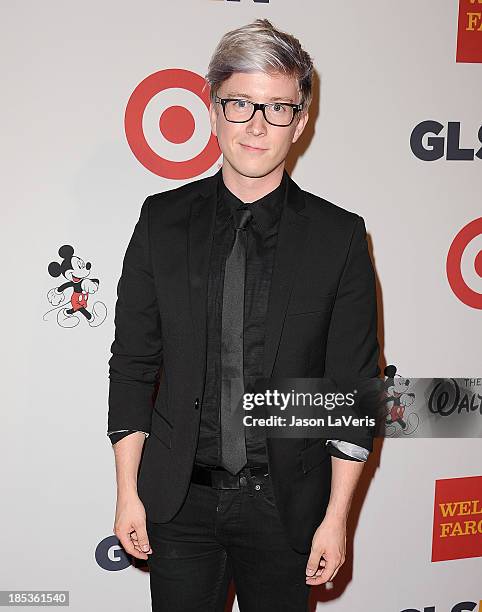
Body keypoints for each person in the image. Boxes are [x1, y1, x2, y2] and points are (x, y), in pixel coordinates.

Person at [107, 18, 380, 612]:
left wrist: (336, 520)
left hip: (288, 508)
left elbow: (354, 392)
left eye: (277, 108)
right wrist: (128, 491)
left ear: (300, 122)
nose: (257, 126)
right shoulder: (161, 221)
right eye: (240, 105)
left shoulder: (339, 238)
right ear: (213, 112)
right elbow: (133, 364)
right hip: (179, 504)